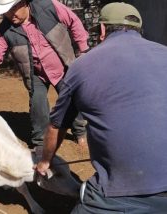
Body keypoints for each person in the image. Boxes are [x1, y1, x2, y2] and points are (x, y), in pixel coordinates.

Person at [36, 2, 167, 213]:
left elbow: (56, 127)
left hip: (120, 194)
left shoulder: (82, 67)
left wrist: (44, 162)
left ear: (103, 29)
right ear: (139, 30)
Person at [0, 0, 90, 150]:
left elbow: (73, 21)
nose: (10, 15)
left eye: (13, 9)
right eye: (6, 11)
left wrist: (83, 49)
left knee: (71, 100)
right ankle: (40, 143)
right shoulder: (6, 29)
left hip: (62, 66)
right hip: (35, 73)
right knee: (38, 104)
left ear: (24, 3)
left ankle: (80, 132)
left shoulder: (49, 7)